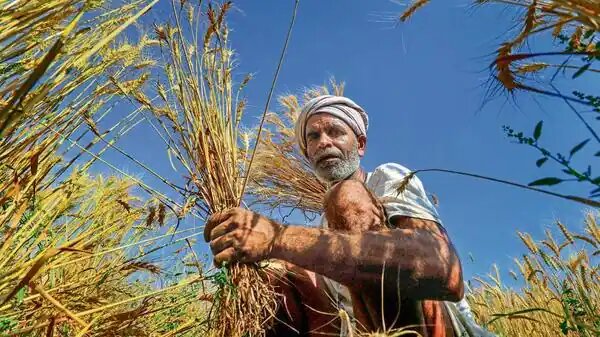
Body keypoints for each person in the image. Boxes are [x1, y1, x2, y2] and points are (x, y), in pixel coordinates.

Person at [204, 95, 484, 336]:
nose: (323, 142)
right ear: (308, 153)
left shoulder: (388, 179)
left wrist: (276, 237)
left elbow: (445, 272)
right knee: (279, 271)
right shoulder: (325, 227)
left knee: (345, 197)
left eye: (335, 132)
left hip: (435, 329)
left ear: (360, 144)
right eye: (313, 137)